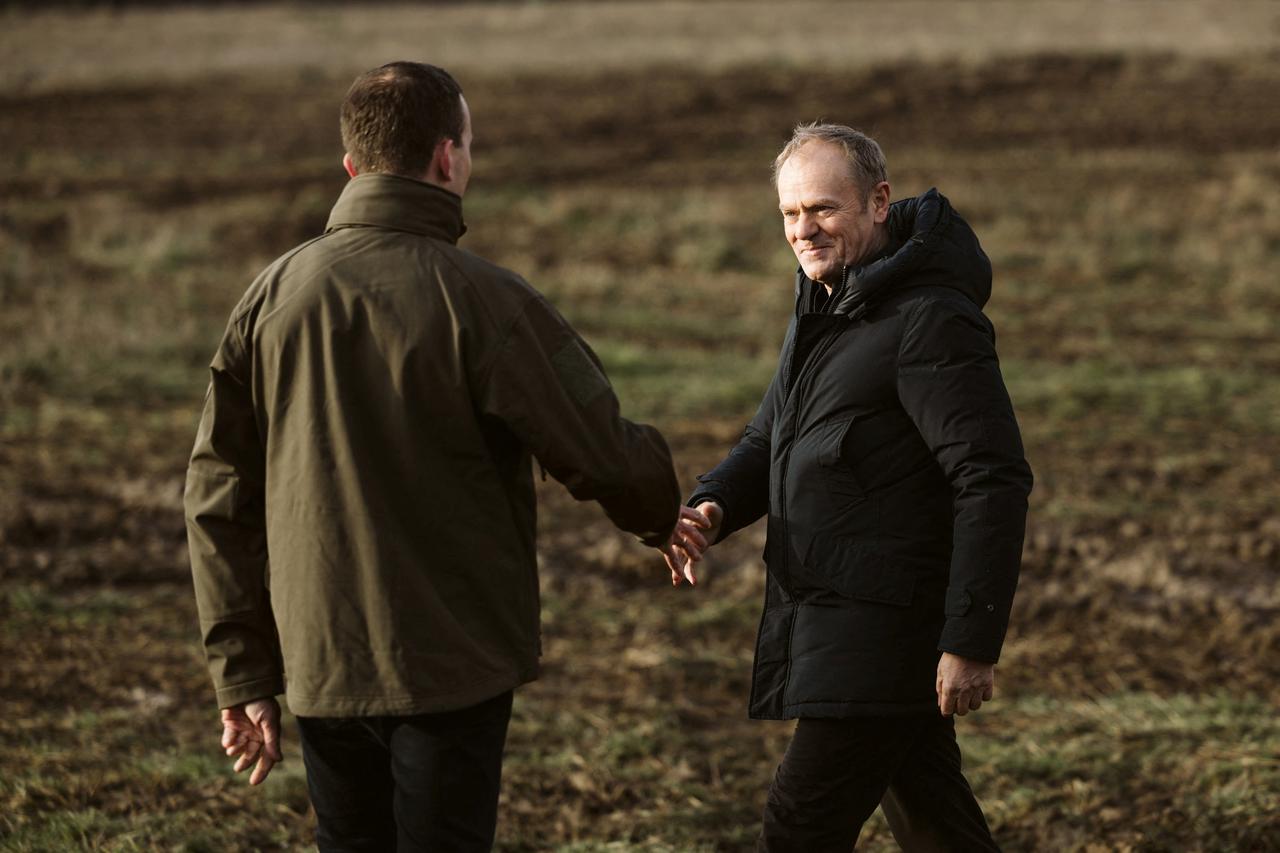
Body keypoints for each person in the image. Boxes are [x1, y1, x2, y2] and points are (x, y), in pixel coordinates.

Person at [184, 61, 688, 851]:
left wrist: (244, 673)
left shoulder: (271, 295)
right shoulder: (483, 297)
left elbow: (217, 498)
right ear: (448, 158)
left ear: (351, 167)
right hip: (451, 668)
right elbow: (599, 448)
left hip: (321, 664)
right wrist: (666, 513)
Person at [668, 124, 1034, 851]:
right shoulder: (823, 305)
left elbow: (991, 477)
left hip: (883, 631)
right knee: (936, 821)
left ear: (878, 201)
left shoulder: (928, 317)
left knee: (798, 825)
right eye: (790, 214)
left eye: (823, 210)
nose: (804, 230)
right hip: (835, 620)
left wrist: (971, 638)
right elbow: (770, 437)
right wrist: (713, 504)